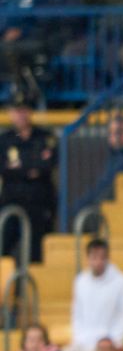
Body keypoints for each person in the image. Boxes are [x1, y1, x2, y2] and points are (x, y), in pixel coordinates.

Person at [65, 237, 123, 351]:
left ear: (107, 258)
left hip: (111, 345)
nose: (98, 262)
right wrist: (80, 340)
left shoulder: (121, 281)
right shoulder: (80, 281)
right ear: (88, 258)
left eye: (102, 257)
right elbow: (77, 315)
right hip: (84, 343)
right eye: (94, 257)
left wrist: (110, 343)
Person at [0, 103, 55, 263]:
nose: (21, 115)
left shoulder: (44, 137)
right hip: (11, 201)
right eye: (16, 111)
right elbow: (4, 168)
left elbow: (47, 166)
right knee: (4, 247)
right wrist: (30, 170)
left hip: (38, 204)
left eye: (24, 110)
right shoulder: (5, 139)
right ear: (10, 113)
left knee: (36, 252)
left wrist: (19, 168)